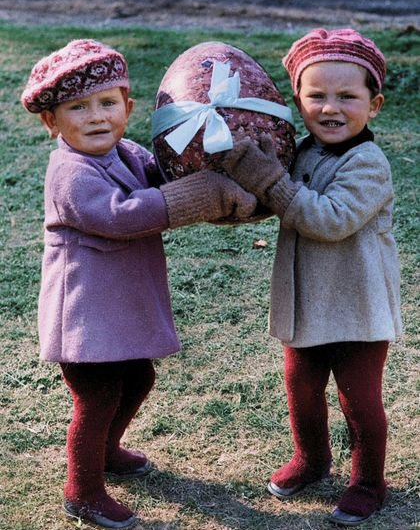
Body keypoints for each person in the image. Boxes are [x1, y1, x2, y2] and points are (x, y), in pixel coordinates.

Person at [21, 39, 256, 529]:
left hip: (118, 305)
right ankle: (82, 490)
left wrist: (207, 162)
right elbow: (119, 216)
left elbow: (163, 178)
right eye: (77, 108)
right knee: (97, 395)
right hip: (84, 314)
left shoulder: (126, 152)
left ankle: (106, 452)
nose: (95, 117)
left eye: (107, 103)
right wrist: (197, 197)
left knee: (139, 377)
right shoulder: (71, 171)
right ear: (53, 122)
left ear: (127, 108)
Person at [222, 28, 402, 527]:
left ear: (375, 104)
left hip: (356, 305)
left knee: (358, 398)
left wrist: (269, 179)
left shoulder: (369, 163)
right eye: (315, 95)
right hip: (304, 302)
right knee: (301, 384)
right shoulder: (301, 151)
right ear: (297, 102)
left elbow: (328, 219)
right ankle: (312, 459)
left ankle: (368, 481)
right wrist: (237, 176)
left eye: (348, 96)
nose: (330, 107)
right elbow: (271, 197)